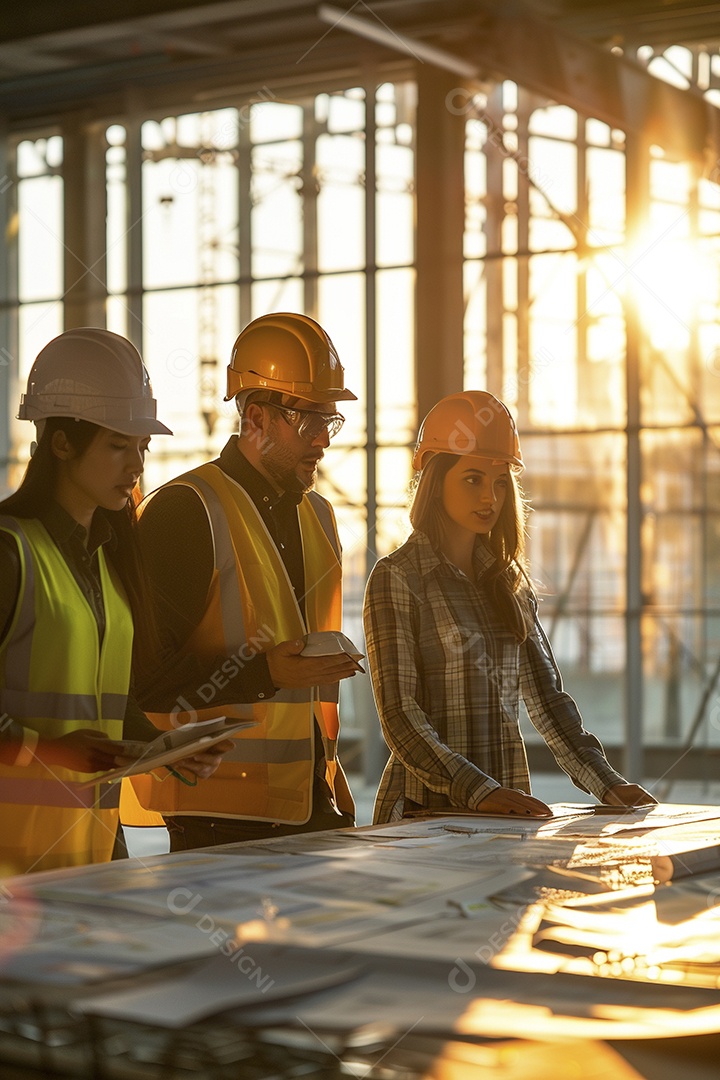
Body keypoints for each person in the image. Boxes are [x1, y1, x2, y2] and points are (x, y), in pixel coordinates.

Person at [363, 390, 656, 822]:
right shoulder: (397, 578)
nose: (491, 497)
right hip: (423, 815)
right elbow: (401, 717)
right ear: (435, 480)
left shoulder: (509, 583)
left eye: (501, 481)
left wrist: (607, 783)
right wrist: (480, 791)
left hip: (505, 817)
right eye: (473, 478)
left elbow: (548, 703)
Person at [0, 328, 229, 876]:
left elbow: (104, 705)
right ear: (61, 442)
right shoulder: (12, 552)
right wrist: (51, 753)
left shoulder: (107, 559)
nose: (137, 465)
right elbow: (63, 735)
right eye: (118, 444)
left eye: (142, 447)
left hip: (93, 848)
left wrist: (164, 747)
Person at [129, 312, 359, 849]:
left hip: (307, 808)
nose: (324, 440)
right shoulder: (185, 513)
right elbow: (140, 680)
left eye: (331, 420)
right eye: (310, 421)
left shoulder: (319, 518)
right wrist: (263, 672)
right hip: (215, 818)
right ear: (256, 417)